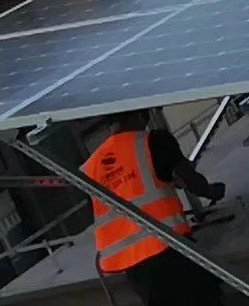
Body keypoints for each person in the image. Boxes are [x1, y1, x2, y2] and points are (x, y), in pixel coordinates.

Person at [83, 109, 229, 306]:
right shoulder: (154, 140)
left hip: (136, 269)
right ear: (138, 113)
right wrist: (213, 192)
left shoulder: (91, 167)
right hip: (170, 249)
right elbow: (192, 181)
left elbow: (128, 188)